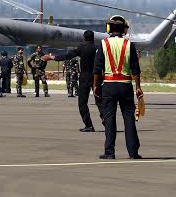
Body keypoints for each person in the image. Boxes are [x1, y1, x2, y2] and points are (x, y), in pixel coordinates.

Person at [93, 15, 142, 159]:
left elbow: (97, 69)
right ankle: (133, 153)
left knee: (109, 119)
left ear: (109, 28)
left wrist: (96, 86)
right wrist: (138, 87)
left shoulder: (103, 44)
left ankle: (109, 152)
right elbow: (135, 69)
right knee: (129, 119)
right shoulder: (129, 45)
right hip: (126, 86)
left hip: (108, 86)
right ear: (123, 30)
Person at [47, 30, 102, 132]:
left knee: (82, 103)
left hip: (85, 77)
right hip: (97, 76)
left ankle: (89, 125)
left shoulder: (81, 48)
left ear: (84, 38)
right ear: (93, 38)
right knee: (100, 101)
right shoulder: (98, 48)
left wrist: (52, 57)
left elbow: (67, 56)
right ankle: (108, 123)